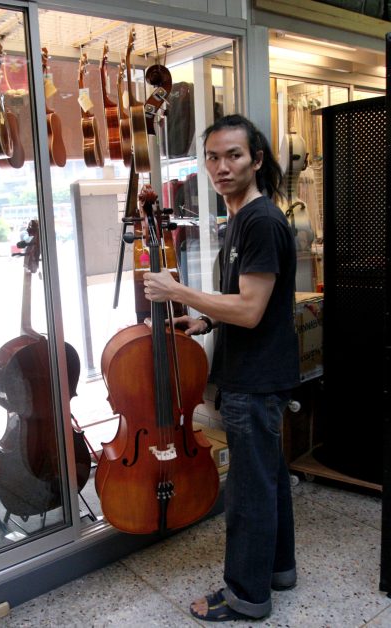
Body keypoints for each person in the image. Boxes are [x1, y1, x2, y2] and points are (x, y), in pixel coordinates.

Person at [143, 114, 300, 622]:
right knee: (268, 478)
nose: (221, 166)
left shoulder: (260, 221)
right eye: (212, 157)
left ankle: (245, 596)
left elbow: (251, 310)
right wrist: (206, 319)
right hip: (257, 371)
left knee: (250, 492)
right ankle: (278, 570)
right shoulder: (242, 219)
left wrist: (176, 290)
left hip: (254, 380)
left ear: (256, 160)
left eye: (233, 155)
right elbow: (245, 304)